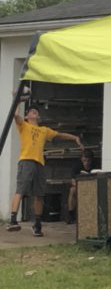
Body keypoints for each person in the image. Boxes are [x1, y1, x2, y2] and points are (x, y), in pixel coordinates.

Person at [7, 98, 82, 237]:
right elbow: (15, 115)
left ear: (38, 116)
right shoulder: (23, 125)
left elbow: (59, 135)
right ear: (27, 116)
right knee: (21, 189)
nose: (33, 112)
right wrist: (17, 99)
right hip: (26, 160)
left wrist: (74, 138)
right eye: (31, 111)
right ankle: (13, 220)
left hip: (40, 163)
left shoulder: (44, 130)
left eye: (36, 111)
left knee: (40, 194)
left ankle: (37, 224)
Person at [66, 146, 98, 224]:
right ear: (81, 159)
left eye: (88, 160)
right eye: (84, 160)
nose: (86, 163)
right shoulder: (77, 166)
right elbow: (73, 180)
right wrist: (80, 187)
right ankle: (71, 214)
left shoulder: (96, 165)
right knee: (72, 191)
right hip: (79, 185)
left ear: (91, 160)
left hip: (92, 185)